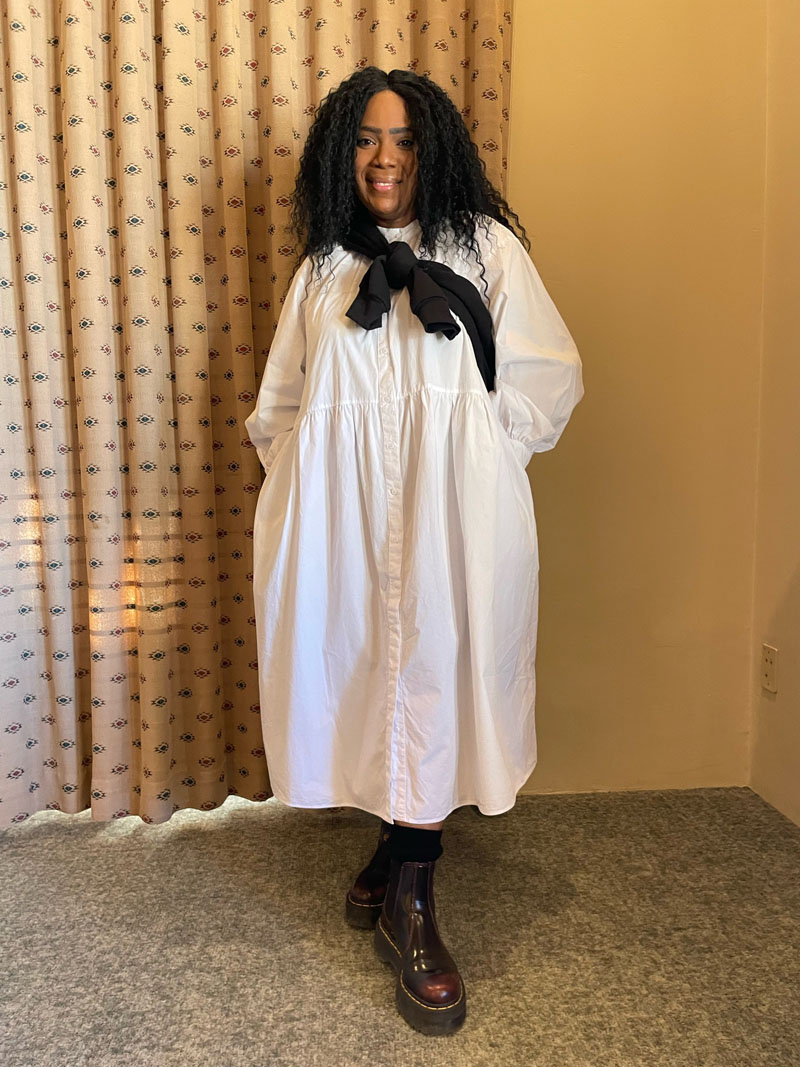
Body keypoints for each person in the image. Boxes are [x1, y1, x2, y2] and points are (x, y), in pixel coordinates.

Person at [245, 67, 583, 1036]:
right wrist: (303, 496)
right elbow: (278, 407)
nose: (383, 157)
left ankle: (413, 901)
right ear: (338, 155)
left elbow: (548, 379)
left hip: (451, 520)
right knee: (363, 676)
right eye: (362, 139)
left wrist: (480, 447)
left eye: (400, 138)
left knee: (433, 677)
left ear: (431, 147)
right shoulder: (321, 270)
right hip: (344, 525)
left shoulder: (486, 250)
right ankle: (398, 853)